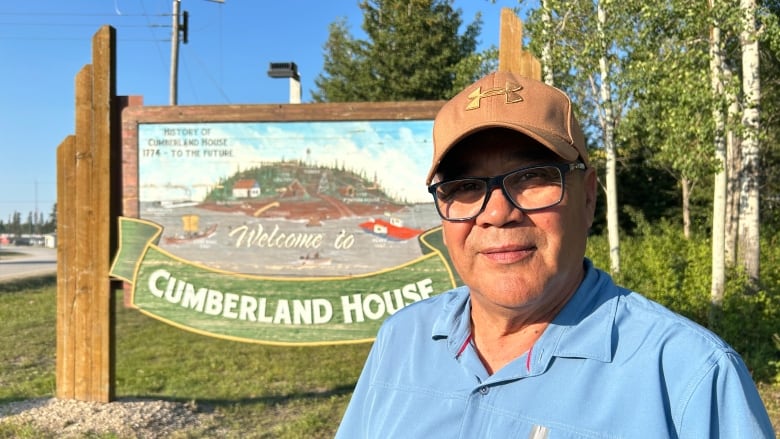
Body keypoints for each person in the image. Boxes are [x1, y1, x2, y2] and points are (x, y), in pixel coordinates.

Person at [335, 71, 775, 438]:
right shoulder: (402, 341)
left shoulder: (689, 378)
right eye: (465, 187)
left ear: (587, 199)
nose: (498, 213)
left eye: (532, 177)